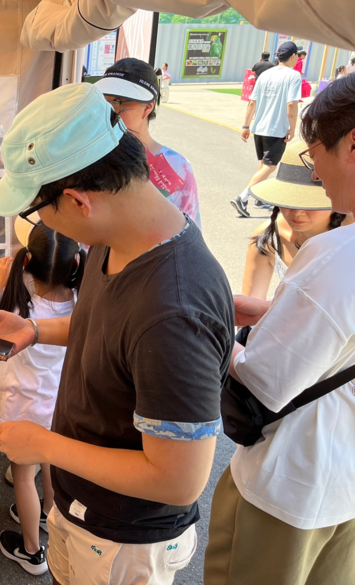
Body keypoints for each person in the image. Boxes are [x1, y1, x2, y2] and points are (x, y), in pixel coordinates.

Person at [0, 83, 234, 585]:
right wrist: (35, 329)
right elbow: (107, 329)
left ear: (77, 200)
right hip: (82, 508)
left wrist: (44, 445)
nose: (41, 222)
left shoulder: (173, 310)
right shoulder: (118, 233)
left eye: (35, 210)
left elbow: (178, 480)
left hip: (123, 540)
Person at [205, 74, 355, 585]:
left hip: (292, 481)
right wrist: (276, 314)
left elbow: (265, 379)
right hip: (343, 486)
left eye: (314, 156)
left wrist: (216, 329)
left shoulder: (335, 255)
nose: (315, 173)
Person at [0, 224, 82, 576]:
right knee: (49, 460)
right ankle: (49, 512)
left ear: (27, 261)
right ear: (76, 263)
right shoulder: (80, 301)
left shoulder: (21, 304)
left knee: (23, 476)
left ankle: (32, 551)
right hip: (57, 404)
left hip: (21, 407)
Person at [96, 58, 202, 228]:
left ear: (148, 107)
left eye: (117, 101)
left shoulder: (177, 168)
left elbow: (189, 235)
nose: (107, 110)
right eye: (102, 101)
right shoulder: (88, 154)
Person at [241, 140, 349, 300]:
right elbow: (251, 302)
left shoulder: (350, 237)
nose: (297, 212)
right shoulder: (269, 237)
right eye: (289, 200)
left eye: (310, 203)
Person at [232, 41, 302, 218]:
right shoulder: (293, 76)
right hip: (276, 128)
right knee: (270, 165)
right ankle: (243, 197)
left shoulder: (264, 75)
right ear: (293, 56)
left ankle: (259, 197)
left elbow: (252, 102)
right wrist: (292, 128)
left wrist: (246, 126)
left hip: (260, 127)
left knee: (263, 164)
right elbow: (292, 104)